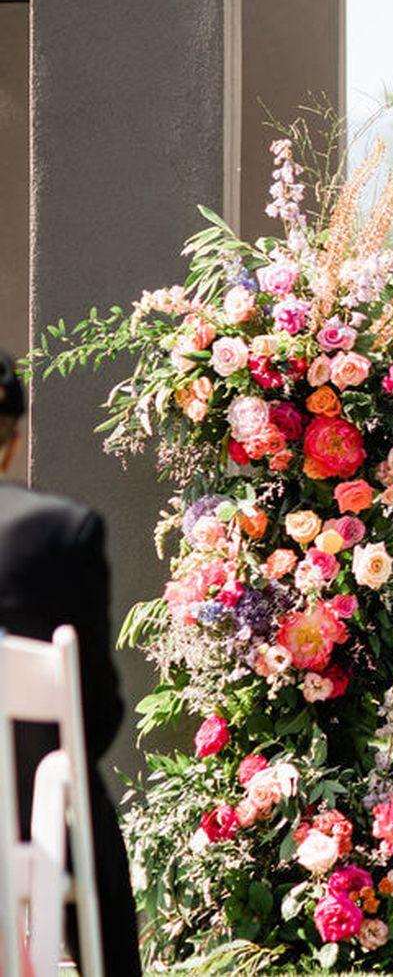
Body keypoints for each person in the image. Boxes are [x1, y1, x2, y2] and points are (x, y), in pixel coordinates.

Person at [0, 348, 143, 977]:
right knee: (82, 797)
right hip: (30, 810)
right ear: (14, 438)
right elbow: (96, 711)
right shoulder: (64, 533)